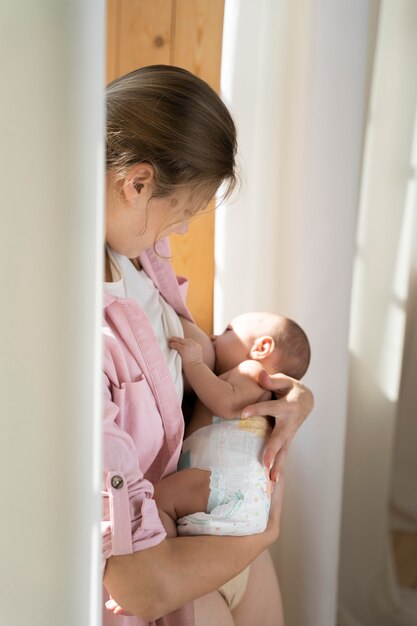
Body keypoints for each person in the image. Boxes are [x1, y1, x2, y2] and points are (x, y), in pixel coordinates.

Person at [102, 65, 314, 626]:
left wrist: (290, 394)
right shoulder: (81, 336)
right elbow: (138, 585)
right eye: (188, 211)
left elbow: (202, 368)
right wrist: (263, 535)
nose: (186, 231)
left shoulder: (141, 259)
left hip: (211, 531)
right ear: (139, 183)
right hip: (172, 564)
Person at [152, 312, 310, 540]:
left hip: (225, 484)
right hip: (238, 499)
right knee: (165, 508)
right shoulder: (251, 387)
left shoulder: (253, 371)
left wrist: (194, 362)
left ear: (261, 347)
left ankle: (162, 555)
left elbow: (227, 403)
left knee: (156, 502)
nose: (213, 337)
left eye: (227, 331)